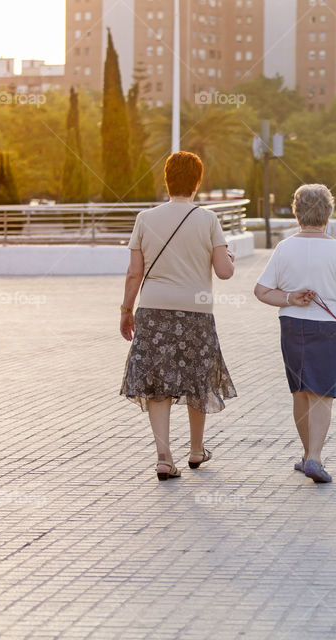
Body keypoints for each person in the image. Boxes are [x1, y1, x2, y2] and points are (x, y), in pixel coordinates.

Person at [120, 151, 238, 481]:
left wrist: (126, 310)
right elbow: (224, 271)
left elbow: (134, 273)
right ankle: (197, 450)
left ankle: (163, 456)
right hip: (196, 311)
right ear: (197, 182)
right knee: (197, 379)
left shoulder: (145, 218)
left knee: (157, 383)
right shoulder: (208, 219)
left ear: (166, 179)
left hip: (154, 309)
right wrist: (231, 256)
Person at [254, 184, 336, 484]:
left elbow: (261, 291)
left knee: (300, 391)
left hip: (291, 327)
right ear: (328, 214)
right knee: (321, 394)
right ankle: (314, 458)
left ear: (297, 214)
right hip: (328, 329)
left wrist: (289, 298)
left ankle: (308, 455)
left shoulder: (284, 247)